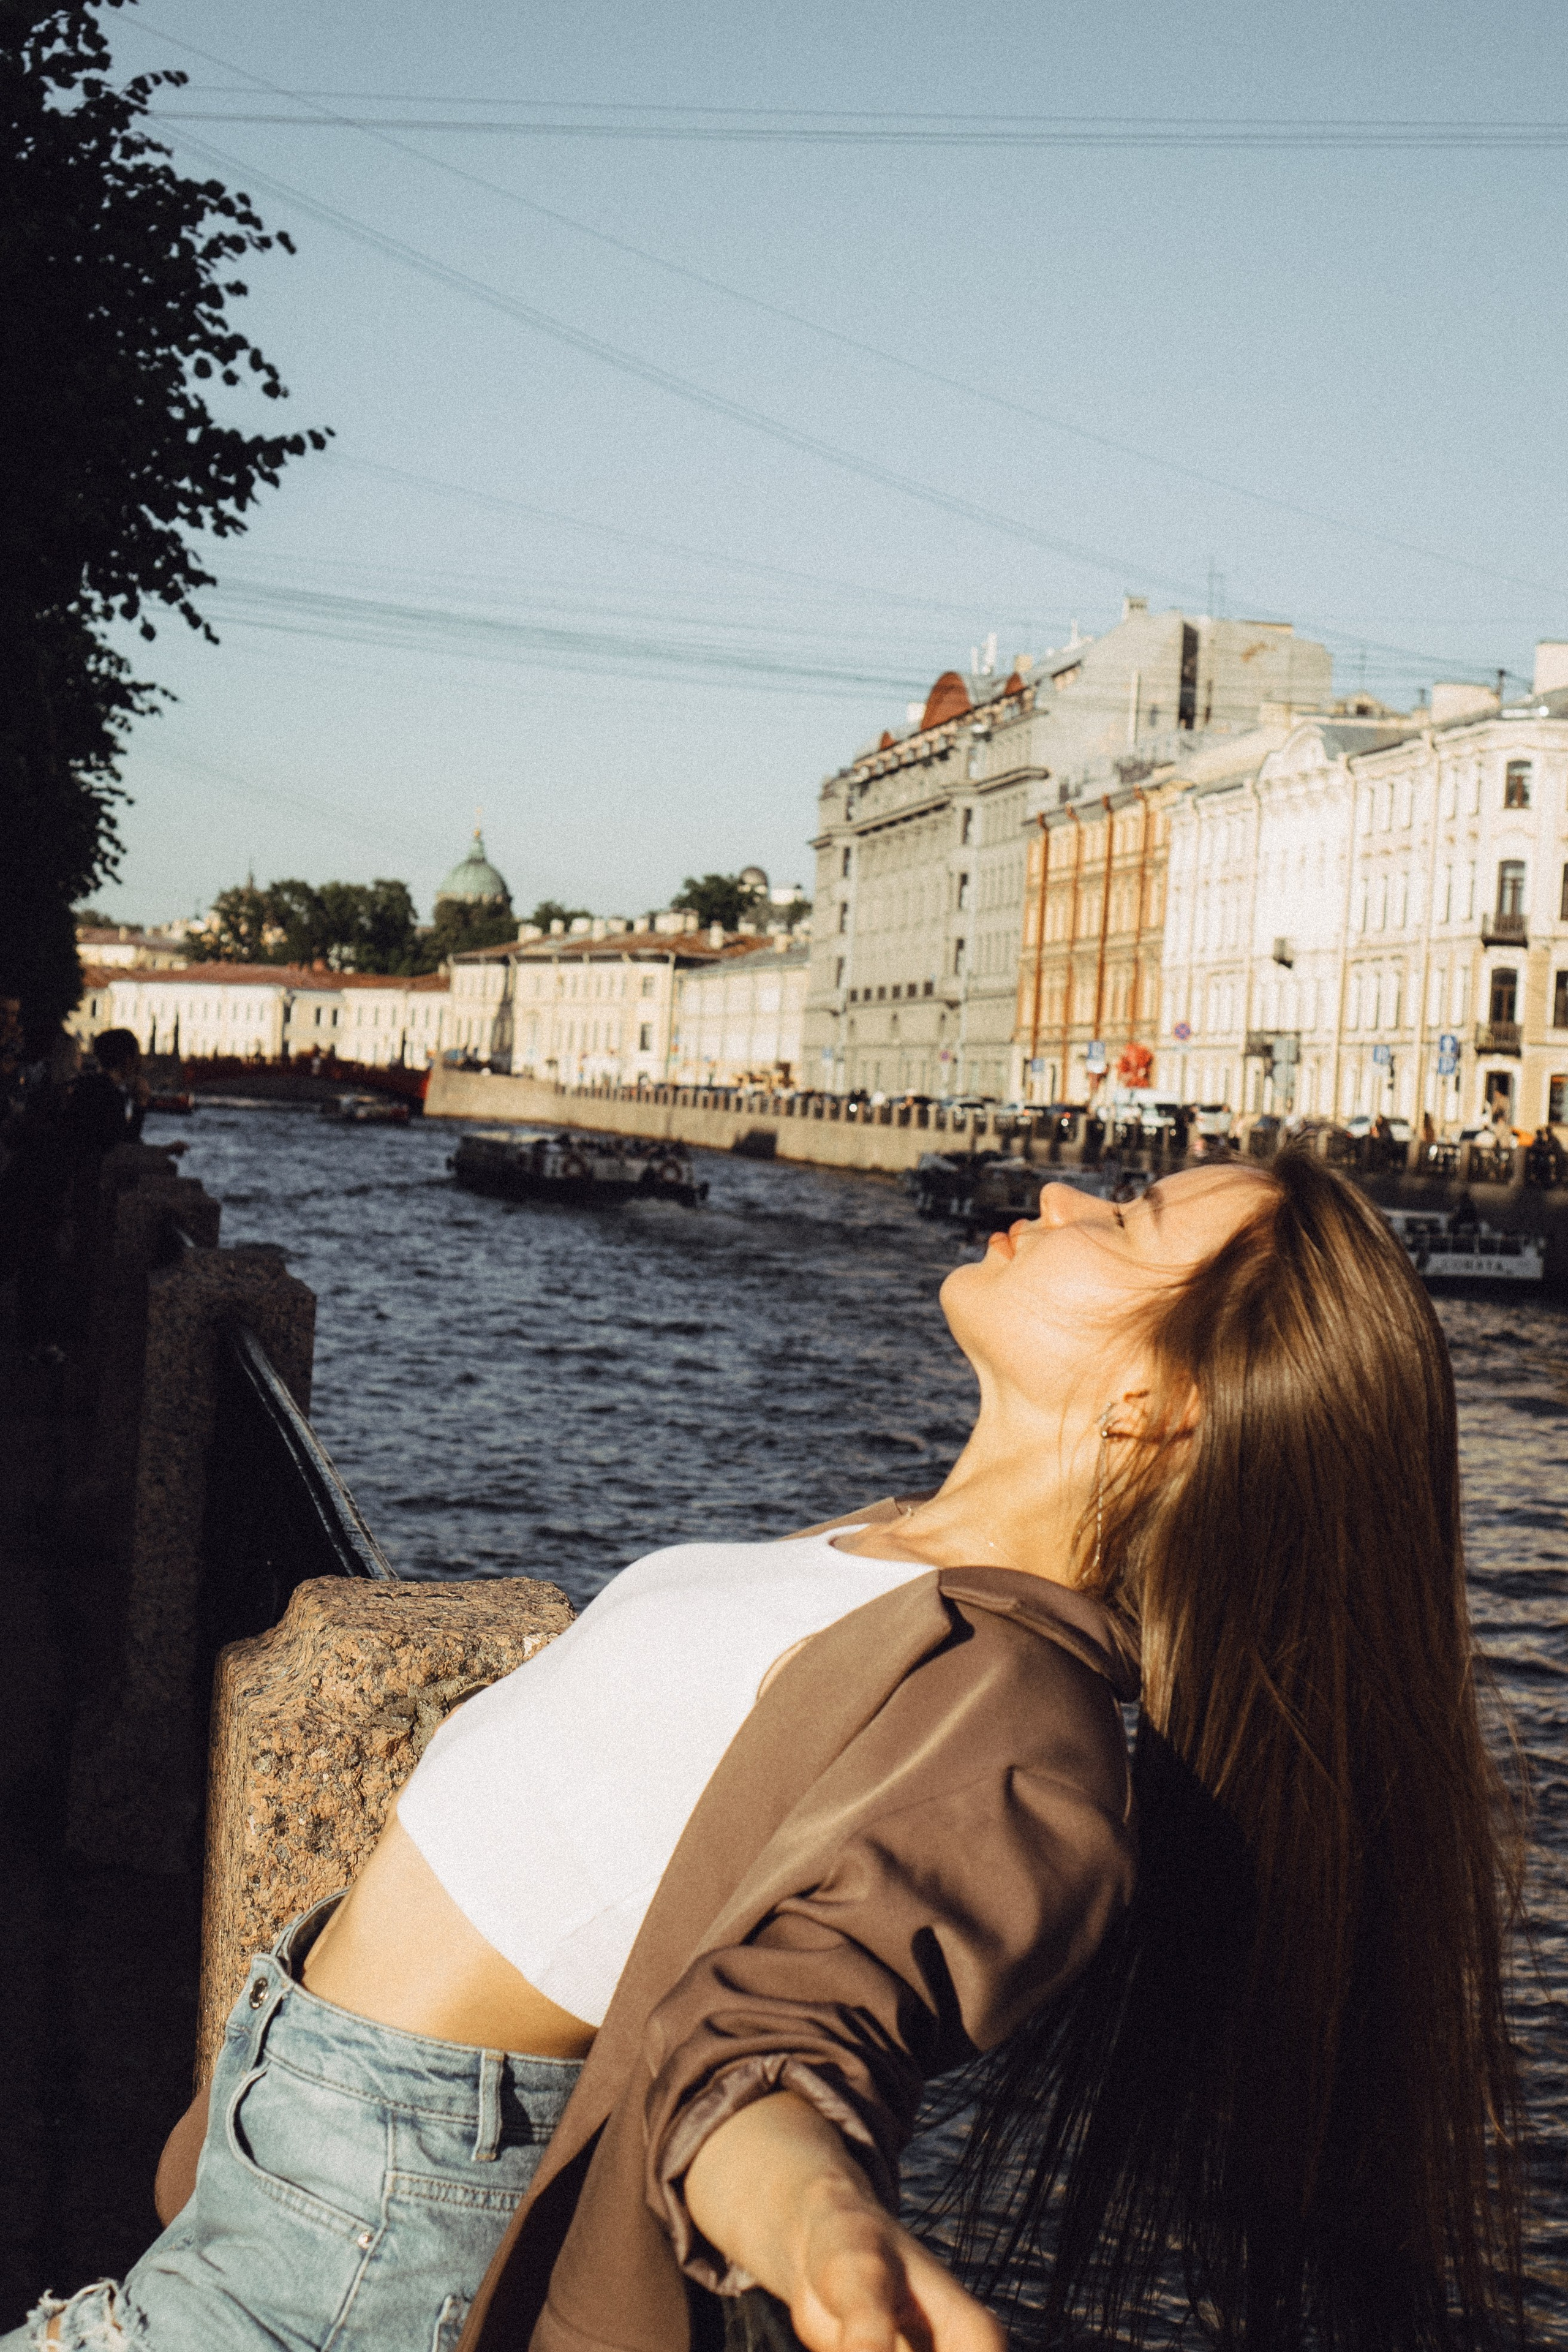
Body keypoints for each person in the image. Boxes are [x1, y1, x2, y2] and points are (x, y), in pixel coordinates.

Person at [15, 1155, 1525, 2352]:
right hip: (279, 2203)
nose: (1061, 1196)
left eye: (1123, 1218)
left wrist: (814, 2225)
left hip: (358, 2279)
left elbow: (788, 2040)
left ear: (1155, 1401)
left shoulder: (1024, 1726)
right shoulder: (887, 1551)